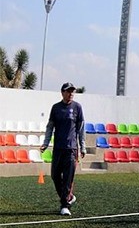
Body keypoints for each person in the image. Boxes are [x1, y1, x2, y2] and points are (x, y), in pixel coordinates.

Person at [40, 82, 86, 216]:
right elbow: (50, 127)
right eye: (68, 91)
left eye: (73, 91)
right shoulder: (56, 108)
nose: (71, 93)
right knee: (55, 175)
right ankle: (69, 197)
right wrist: (46, 143)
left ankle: (65, 206)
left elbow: (81, 129)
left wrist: (82, 146)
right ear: (62, 92)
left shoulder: (77, 107)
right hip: (58, 148)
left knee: (67, 178)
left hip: (71, 149)